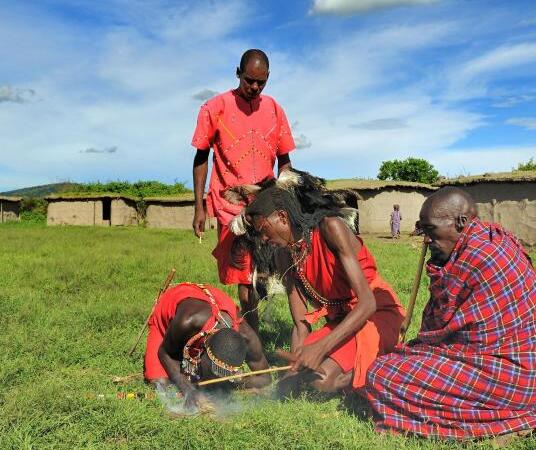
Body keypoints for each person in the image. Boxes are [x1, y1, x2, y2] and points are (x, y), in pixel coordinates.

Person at [365, 187, 536, 440]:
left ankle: (511, 422)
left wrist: (415, 352)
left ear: (461, 222)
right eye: (422, 230)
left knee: (382, 373)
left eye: (431, 229)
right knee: (400, 363)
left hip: (513, 377)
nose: (426, 239)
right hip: (533, 378)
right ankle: (511, 419)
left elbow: (438, 332)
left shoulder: (476, 257)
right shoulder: (491, 240)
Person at [228, 169, 404, 393]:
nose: (263, 238)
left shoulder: (331, 228)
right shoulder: (285, 255)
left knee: (321, 380)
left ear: (282, 217)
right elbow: (301, 324)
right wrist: (294, 366)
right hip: (344, 322)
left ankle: (382, 369)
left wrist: (320, 348)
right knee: (301, 376)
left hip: (376, 315)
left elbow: (367, 303)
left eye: (263, 230)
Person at [191, 49, 296, 331]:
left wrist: (285, 198)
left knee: (267, 273)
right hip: (230, 206)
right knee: (243, 274)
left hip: (265, 207)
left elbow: (285, 161)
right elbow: (201, 157)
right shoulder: (215, 108)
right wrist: (199, 206)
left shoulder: (275, 109)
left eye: (261, 82)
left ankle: (248, 324)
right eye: (249, 80)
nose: (255, 87)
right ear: (238, 73)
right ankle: (253, 338)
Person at [144, 282, 271, 412]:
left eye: (226, 373)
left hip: (213, 301)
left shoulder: (247, 337)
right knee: (160, 382)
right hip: (172, 309)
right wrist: (188, 390)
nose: (219, 378)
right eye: (215, 370)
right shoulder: (187, 322)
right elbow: (165, 353)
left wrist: (235, 383)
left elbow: (265, 377)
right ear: (203, 351)